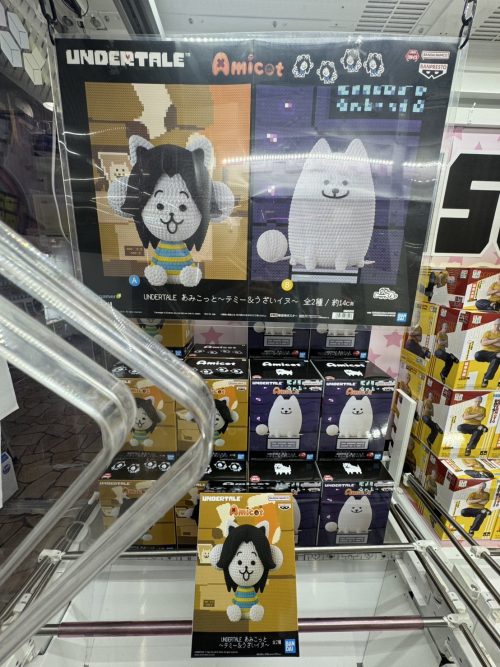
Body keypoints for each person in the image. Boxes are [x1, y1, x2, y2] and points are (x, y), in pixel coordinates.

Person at [474, 319, 500, 388]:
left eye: (498, 325)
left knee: (496, 360)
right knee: (477, 355)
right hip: (486, 353)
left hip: (496, 354)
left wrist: (489, 341)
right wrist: (496, 340)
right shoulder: (488, 333)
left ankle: (485, 379)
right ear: (493, 324)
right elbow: (483, 343)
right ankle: (495, 355)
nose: (496, 326)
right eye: (495, 324)